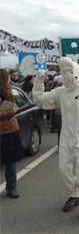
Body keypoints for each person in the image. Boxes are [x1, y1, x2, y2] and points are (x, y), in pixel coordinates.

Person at [32, 57, 79, 218]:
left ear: (76, 73)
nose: (65, 76)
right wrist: (39, 80)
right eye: (63, 72)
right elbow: (40, 100)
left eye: (68, 72)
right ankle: (74, 194)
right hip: (66, 136)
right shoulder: (60, 92)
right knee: (63, 168)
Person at [0, 69, 24, 198]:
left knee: (11, 161)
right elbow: (5, 111)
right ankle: (12, 187)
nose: (10, 79)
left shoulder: (8, 90)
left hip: (10, 130)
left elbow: (10, 107)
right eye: (9, 77)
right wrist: (11, 111)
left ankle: (11, 187)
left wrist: (11, 110)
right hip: (3, 131)